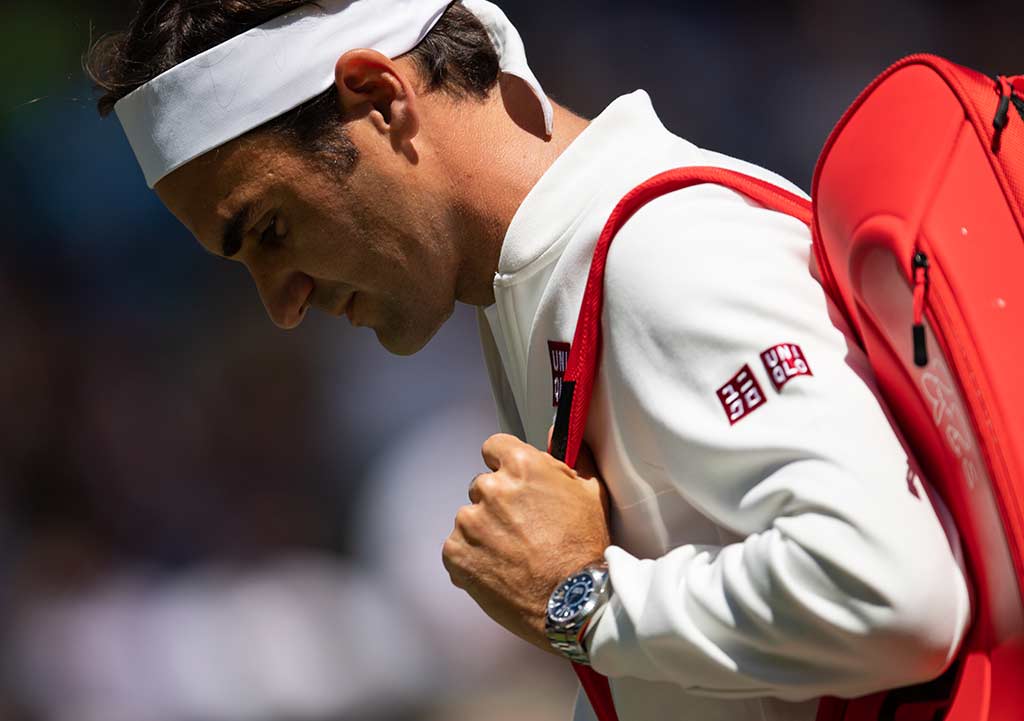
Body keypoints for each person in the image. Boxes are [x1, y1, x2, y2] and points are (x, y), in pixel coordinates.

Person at [87, 2, 971, 720]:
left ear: (379, 96)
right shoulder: (536, 277)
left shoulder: (660, 255)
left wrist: (580, 601)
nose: (281, 305)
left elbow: (893, 593)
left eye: (272, 230)